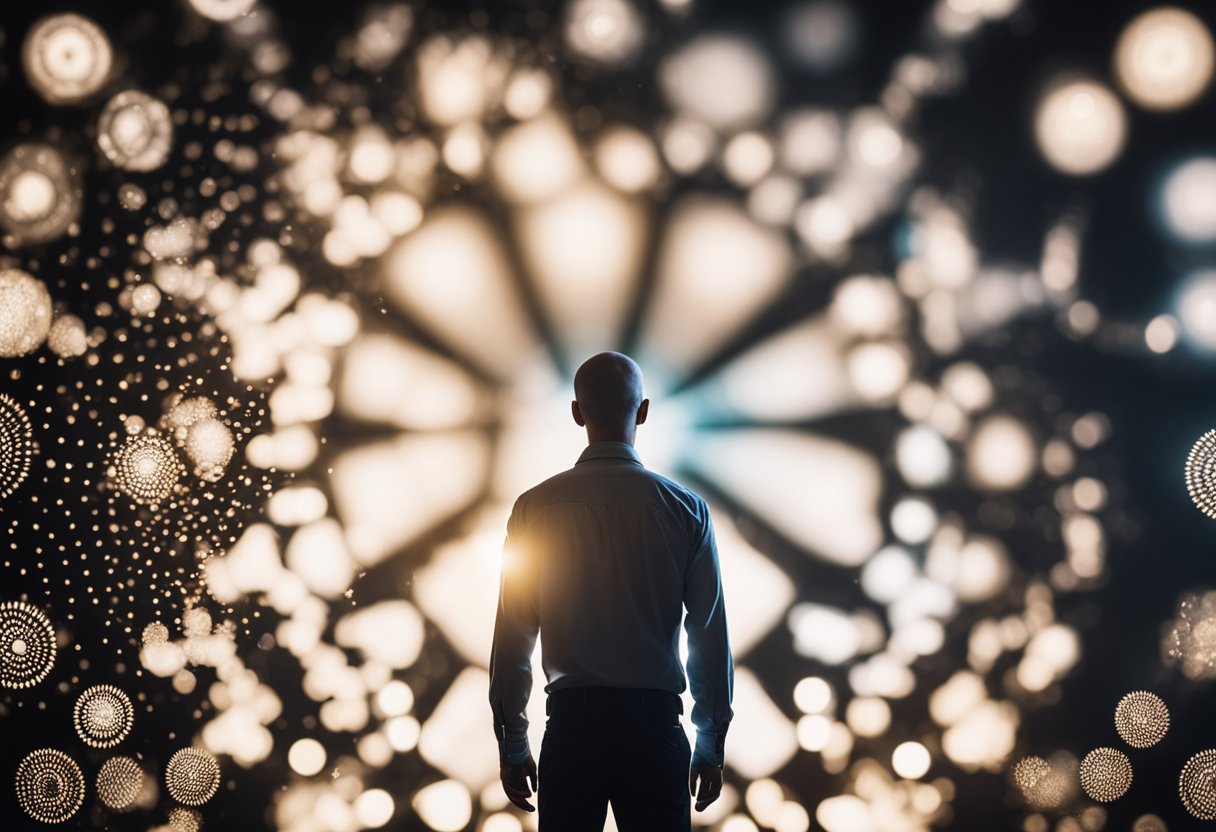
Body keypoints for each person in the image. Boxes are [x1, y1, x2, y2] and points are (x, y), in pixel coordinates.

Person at [488, 351, 734, 830]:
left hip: (573, 730)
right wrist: (710, 742)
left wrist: (513, 741)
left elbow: (513, 637)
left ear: (577, 412)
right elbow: (708, 636)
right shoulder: (687, 511)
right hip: (655, 730)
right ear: (642, 411)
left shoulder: (533, 509)